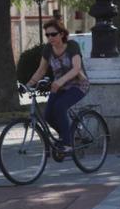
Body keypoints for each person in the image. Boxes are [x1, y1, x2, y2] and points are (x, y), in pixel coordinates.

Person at [27, 18, 89, 152]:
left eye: (53, 34)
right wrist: (29, 84)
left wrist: (60, 81)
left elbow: (76, 68)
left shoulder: (72, 46)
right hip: (59, 86)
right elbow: (41, 70)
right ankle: (66, 134)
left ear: (61, 34)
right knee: (48, 115)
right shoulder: (48, 49)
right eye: (47, 35)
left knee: (60, 107)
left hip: (78, 85)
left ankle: (67, 144)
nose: (50, 38)